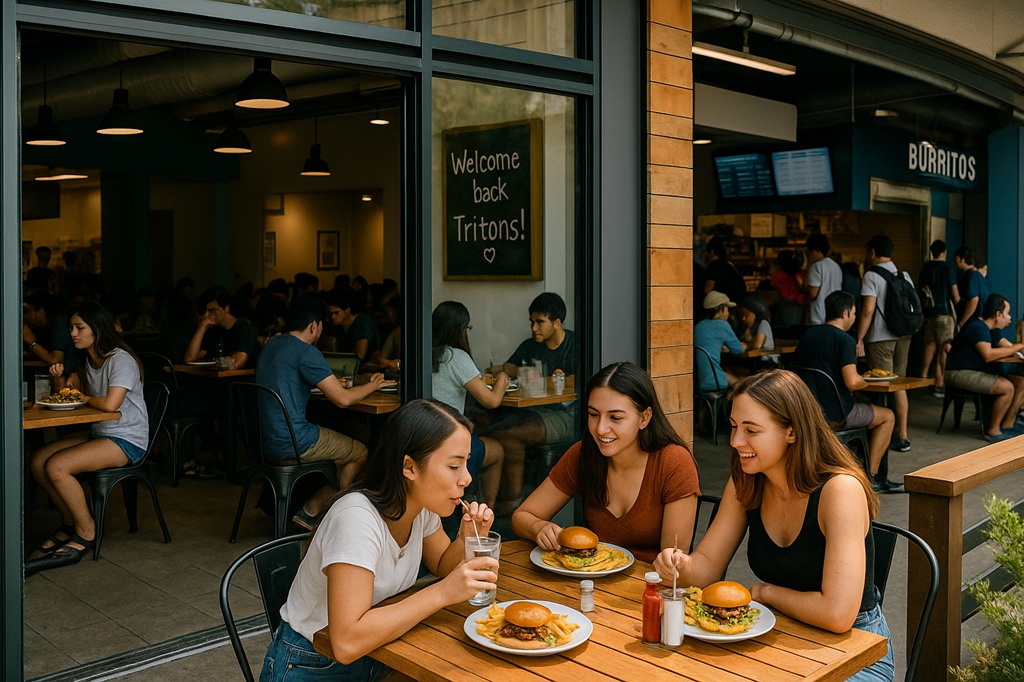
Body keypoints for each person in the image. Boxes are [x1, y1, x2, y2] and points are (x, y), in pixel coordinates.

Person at [654, 370, 892, 681]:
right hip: (782, 633)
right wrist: (680, 566)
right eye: (734, 427)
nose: (737, 441)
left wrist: (766, 593)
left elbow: (837, 614)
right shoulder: (746, 481)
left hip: (856, 650)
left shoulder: (840, 491)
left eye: (751, 430)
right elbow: (707, 567)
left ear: (791, 432)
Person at [260, 400, 497, 681]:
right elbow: (346, 643)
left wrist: (466, 539)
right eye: (454, 465)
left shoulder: (420, 507)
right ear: (409, 467)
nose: (467, 478)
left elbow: (444, 566)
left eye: (466, 463)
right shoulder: (356, 520)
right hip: (313, 663)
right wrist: (442, 593)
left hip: (378, 652)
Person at [512, 362, 700, 563]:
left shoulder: (673, 462)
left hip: (652, 587)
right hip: (593, 583)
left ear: (644, 418)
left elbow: (673, 562)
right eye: (593, 415)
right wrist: (538, 528)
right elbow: (522, 516)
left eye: (615, 418)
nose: (601, 428)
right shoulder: (584, 453)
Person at [25, 302, 149, 574]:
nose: (73, 333)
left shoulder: (121, 360)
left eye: (80, 328)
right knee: (38, 460)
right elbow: (68, 394)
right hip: (100, 432)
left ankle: (86, 532)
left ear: (98, 329)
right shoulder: (87, 360)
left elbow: (110, 405)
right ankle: (70, 520)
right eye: (71, 328)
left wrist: (84, 397)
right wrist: (58, 379)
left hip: (127, 439)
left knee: (57, 466)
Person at [256, 296, 392, 529]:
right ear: (313, 325)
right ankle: (324, 515)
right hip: (295, 440)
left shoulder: (271, 345)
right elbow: (343, 400)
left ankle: (315, 510)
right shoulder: (306, 351)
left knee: (345, 436)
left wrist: (327, 382)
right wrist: (373, 384)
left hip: (265, 440)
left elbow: (285, 380)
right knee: (360, 452)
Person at [794, 291, 897, 492]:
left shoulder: (807, 336)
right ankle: (871, 479)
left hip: (806, 411)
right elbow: (852, 382)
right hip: (835, 413)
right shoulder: (844, 340)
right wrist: (865, 381)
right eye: (854, 313)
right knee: (888, 416)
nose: (854, 318)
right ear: (845, 313)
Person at [486, 292, 578, 512]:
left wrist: (553, 380)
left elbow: (579, 381)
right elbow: (509, 366)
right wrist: (507, 370)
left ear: (557, 323)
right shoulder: (530, 345)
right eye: (531, 322)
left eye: (540, 322)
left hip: (568, 415)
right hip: (533, 412)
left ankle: (512, 504)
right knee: (495, 429)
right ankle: (510, 501)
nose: (534, 328)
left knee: (509, 435)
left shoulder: (576, 344)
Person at [430, 301, 508, 508]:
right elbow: (491, 401)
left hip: (425, 435)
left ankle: (470, 498)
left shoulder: (421, 353)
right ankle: (487, 511)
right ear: (460, 329)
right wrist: (501, 380)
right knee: (498, 450)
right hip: (447, 438)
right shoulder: (456, 357)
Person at [855, 234, 914, 453]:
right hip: (904, 336)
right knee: (899, 385)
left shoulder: (871, 275)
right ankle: (903, 436)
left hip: (880, 338)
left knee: (881, 387)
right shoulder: (904, 274)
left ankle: (883, 434)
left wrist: (859, 338)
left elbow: (868, 310)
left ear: (871, 252)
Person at [945, 293, 1024, 443]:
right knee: (1007, 387)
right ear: (997, 314)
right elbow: (988, 355)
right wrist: (1019, 346)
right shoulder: (978, 327)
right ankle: (993, 431)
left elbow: (1006, 348)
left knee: (1020, 382)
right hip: (959, 373)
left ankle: (1007, 425)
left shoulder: (989, 328)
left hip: (974, 371)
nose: (1010, 318)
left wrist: (1016, 348)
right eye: (1007, 313)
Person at [183, 286, 260, 369]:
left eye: (212, 311)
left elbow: (239, 362)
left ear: (226, 308)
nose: (207, 315)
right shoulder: (214, 331)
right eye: (205, 311)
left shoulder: (245, 328)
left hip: (240, 379)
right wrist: (203, 324)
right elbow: (189, 358)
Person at [918, 240, 959, 396]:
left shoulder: (925, 268)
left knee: (929, 343)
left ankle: (922, 378)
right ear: (944, 252)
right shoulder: (948, 268)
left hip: (928, 314)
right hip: (944, 314)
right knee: (944, 347)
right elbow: (954, 294)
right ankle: (939, 383)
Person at [693, 291, 746, 392]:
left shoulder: (699, 326)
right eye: (727, 309)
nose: (728, 313)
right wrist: (747, 345)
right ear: (721, 310)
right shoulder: (722, 325)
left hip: (700, 379)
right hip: (714, 380)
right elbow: (738, 349)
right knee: (744, 380)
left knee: (728, 370)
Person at [326, 289, 381, 363]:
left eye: (336, 313)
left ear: (347, 310)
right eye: (330, 313)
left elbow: (359, 355)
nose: (332, 317)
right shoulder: (337, 327)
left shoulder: (362, 323)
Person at [804, 234, 842, 325]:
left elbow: (813, 294)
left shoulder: (815, 267)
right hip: (833, 315)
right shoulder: (836, 266)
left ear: (814, 251)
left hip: (818, 316)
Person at [736, 295, 779, 367]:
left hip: (767, 363)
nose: (743, 318)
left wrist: (746, 346)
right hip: (754, 362)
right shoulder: (745, 327)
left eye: (746, 315)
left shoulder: (763, 323)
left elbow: (758, 345)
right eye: (742, 315)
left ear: (754, 313)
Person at [704, 236, 747, 305]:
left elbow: (707, 291)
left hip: (724, 305)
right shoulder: (729, 265)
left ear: (712, 252)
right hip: (738, 303)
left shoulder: (714, 266)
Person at [954, 246, 989, 330]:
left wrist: (962, 322)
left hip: (973, 321)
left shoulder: (971, 276)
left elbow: (973, 300)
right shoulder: (978, 276)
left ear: (960, 259)